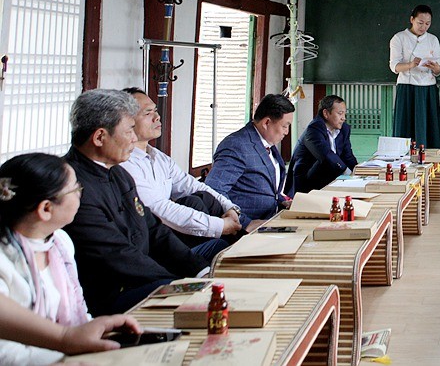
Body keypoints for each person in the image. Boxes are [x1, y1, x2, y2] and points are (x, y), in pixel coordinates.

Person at [62, 90, 206, 315]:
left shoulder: (119, 173)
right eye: (129, 130)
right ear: (99, 137)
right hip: (108, 297)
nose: (133, 139)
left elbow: (154, 229)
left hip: (142, 279)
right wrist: (174, 283)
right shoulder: (71, 186)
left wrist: (200, 270)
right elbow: (115, 254)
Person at [120, 88, 242, 250]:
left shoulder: (159, 158)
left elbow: (192, 185)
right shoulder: (124, 163)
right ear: (127, 121)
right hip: (151, 241)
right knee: (216, 239)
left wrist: (230, 208)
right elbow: (159, 208)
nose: (157, 117)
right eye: (148, 113)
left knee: (201, 198)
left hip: (169, 234)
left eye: (155, 110)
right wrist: (219, 226)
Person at [0, 153, 92, 364]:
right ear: (46, 208)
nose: (81, 194)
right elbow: (5, 354)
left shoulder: (60, 242)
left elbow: (78, 310)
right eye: (76, 189)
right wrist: (74, 353)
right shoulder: (4, 260)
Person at [205, 94, 295, 225]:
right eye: (285, 126)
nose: (286, 132)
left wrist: (282, 201)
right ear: (266, 123)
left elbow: (263, 189)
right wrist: (245, 223)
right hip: (244, 227)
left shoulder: (267, 144)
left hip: (270, 220)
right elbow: (213, 191)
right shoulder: (237, 145)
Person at [0, 296, 140, 360]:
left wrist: (89, 329)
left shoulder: (60, 248)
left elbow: (76, 314)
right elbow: (7, 353)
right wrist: (65, 336)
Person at [388, 5, 440, 149]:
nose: (423, 27)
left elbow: (439, 69)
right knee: (405, 127)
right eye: (420, 23)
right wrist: (411, 65)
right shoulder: (399, 38)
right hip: (407, 87)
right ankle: (404, 159)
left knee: (428, 128)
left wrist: (434, 67)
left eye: (427, 24)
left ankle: (430, 158)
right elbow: (394, 67)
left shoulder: (433, 39)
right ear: (412, 19)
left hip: (428, 88)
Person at [285, 96, 358, 194]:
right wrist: (347, 172)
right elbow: (326, 156)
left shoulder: (344, 129)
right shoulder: (314, 129)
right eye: (340, 113)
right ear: (326, 113)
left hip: (329, 177)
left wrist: (358, 172)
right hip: (307, 182)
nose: (343, 118)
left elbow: (348, 156)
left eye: (345, 113)